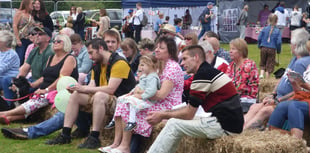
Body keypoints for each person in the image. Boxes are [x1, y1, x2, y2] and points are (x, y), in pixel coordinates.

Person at [146, 45, 244, 153]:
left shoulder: (203, 75)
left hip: (225, 126)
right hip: (226, 122)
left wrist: (162, 115)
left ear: (196, 57)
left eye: (184, 59)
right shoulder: (207, 71)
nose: (182, 63)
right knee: (174, 123)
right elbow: (189, 111)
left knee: (174, 124)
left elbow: (189, 114)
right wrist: (164, 114)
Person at [45, 38, 136, 149]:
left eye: (91, 52)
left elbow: (111, 89)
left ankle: (94, 137)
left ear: (101, 48)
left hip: (123, 103)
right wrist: (78, 89)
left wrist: (83, 88)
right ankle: (65, 134)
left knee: (99, 95)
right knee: (75, 95)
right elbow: (91, 86)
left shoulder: (119, 62)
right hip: (106, 99)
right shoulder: (97, 65)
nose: (90, 57)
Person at [99, 36, 184, 153]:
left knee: (129, 106)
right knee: (122, 101)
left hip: (167, 105)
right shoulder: (159, 65)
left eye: (161, 48)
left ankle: (125, 147)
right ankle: (116, 144)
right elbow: (146, 84)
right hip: (153, 100)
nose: (157, 50)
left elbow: (161, 95)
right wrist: (134, 92)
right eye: (157, 47)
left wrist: (139, 94)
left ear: (170, 52)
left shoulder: (172, 68)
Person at [0, 34, 78, 125]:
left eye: (59, 41)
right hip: (43, 88)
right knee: (33, 107)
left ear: (66, 43)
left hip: (58, 90)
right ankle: (9, 118)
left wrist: (46, 90)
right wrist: (33, 85)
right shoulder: (51, 58)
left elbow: (61, 79)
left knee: (34, 103)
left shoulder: (69, 58)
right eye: (54, 41)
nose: (55, 43)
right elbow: (45, 77)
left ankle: (4, 113)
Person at [244, 28, 310, 130]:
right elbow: (283, 78)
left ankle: (244, 134)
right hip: (278, 98)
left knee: (264, 111)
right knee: (254, 107)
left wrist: (278, 100)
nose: (289, 45)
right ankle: (237, 131)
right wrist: (272, 94)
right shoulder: (295, 59)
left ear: (296, 45)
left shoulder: (301, 63)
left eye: (290, 42)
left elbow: (299, 91)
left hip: (287, 102)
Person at [103, 54, 160, 132]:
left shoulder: (153, 78)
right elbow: (138, 86)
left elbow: (152, 91)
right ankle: (114, 119)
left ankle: (132, 122)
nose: (140, 67)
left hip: (148, 101)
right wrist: (131, 92)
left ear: (151, 65)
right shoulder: (144, 76)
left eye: (143, 65)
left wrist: (141, 96)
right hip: (140, 97)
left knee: (132, 102)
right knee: (120, 99)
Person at [2, 27, 54, 108]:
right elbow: (24, 68)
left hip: (43, 83)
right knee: (6, 80)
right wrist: (15, 82)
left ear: (48, 38)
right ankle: (9, 107)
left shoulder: (51, 51)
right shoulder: (34, 50)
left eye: (40, 34)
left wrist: (32, 84)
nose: (36, 36)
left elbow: (47, 76)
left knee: (24, 89)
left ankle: (20, 109)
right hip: (31, 80)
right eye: (35, 34)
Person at [268, 63, 310, 140]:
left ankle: (297, 141)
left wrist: (305, 85)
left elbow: (306, 87)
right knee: (282, 106)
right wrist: (294, 83)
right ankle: (270, 135)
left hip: (306, 103)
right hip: (306, 99)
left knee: (295, 106)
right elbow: (301, 93)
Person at [225, 38, 259, 113]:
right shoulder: (231, 65)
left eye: (233, 49)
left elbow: (240, 87)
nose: (230, 51)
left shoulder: (249, 64)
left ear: (241, 51)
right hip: (233, 99)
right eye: (230, 49)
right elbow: (225, 83)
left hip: (246, 100)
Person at [258, 14, 282, 79]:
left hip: (263, 47)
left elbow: (259, 38)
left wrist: (259, 46)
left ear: (268, 20)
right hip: (272, 48)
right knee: (270, 63)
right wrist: (278, 50)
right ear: (277, 21)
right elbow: (279, 42)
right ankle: (267, 78)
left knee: (263, 61)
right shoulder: (278, 31)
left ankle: (261, 74)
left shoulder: (264, 29)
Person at [13, 0, 35, 65]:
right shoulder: (19, 13)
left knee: (28, 59)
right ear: (27, 4)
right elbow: (14, 26)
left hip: (30, 39)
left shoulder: (31, 15)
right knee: (20, 58)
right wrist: (17, 39)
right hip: (21, 39)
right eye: (32, 3)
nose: (33, 5)